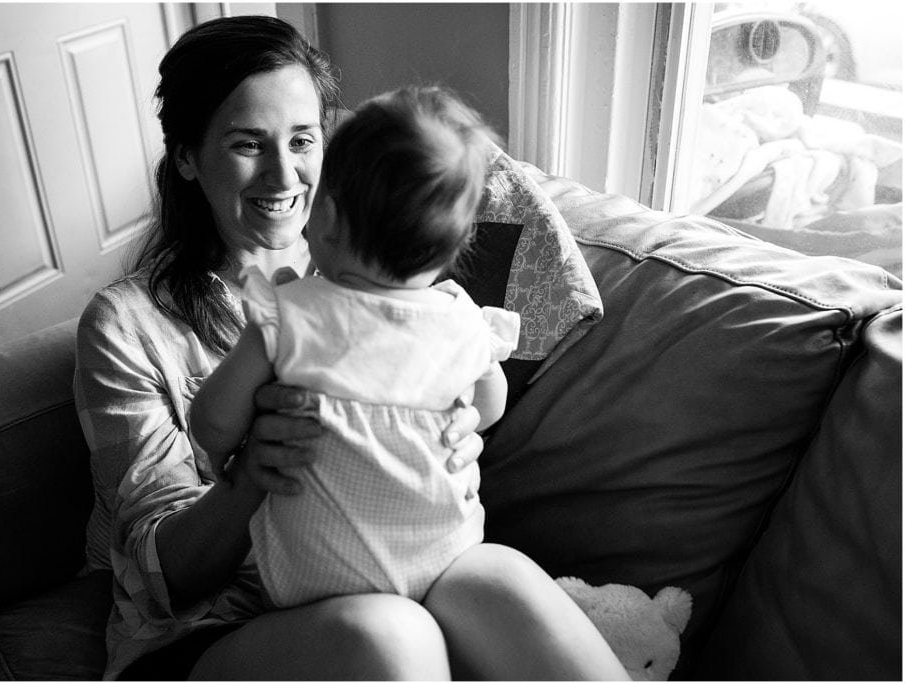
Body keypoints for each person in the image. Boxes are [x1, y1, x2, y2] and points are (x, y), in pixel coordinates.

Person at [74, 14, 627, 681]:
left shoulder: (377, 267)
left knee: (499, 579)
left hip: (381, 572)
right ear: (187, 155)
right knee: (390, 635)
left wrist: (455, 429)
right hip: (209, 633)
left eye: (302, 140)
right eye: (249, 143)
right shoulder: (125, 324)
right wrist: (251, 474)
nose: (284, 175)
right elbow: (168, 578)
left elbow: (477, 390)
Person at [190, 85, 523, 609]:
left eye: (304, 142)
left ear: (329, 217)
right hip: (446, 560)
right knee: (504, 583)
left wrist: (238, 437)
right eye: (250, 144)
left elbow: (210, 425)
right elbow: (487, 407)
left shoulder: (290, 312)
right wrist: (461, 417)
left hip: (322, 586)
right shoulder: (461, 317)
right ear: (452, 250)